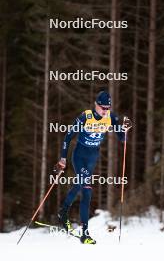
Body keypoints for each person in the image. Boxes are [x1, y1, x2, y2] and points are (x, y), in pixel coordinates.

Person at [55, 91, 132, 244]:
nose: (105, 111)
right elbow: (68, 136)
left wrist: (125, 131)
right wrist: (63, 158)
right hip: (80, 155)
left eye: (107, 107)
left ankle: (66, 216)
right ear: (96, 105)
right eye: (103, 107)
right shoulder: (86, 116)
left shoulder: (111, 117)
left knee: (83, 189)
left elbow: (121, 137)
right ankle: (77, 226)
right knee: (86, 187)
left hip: (92, 157)